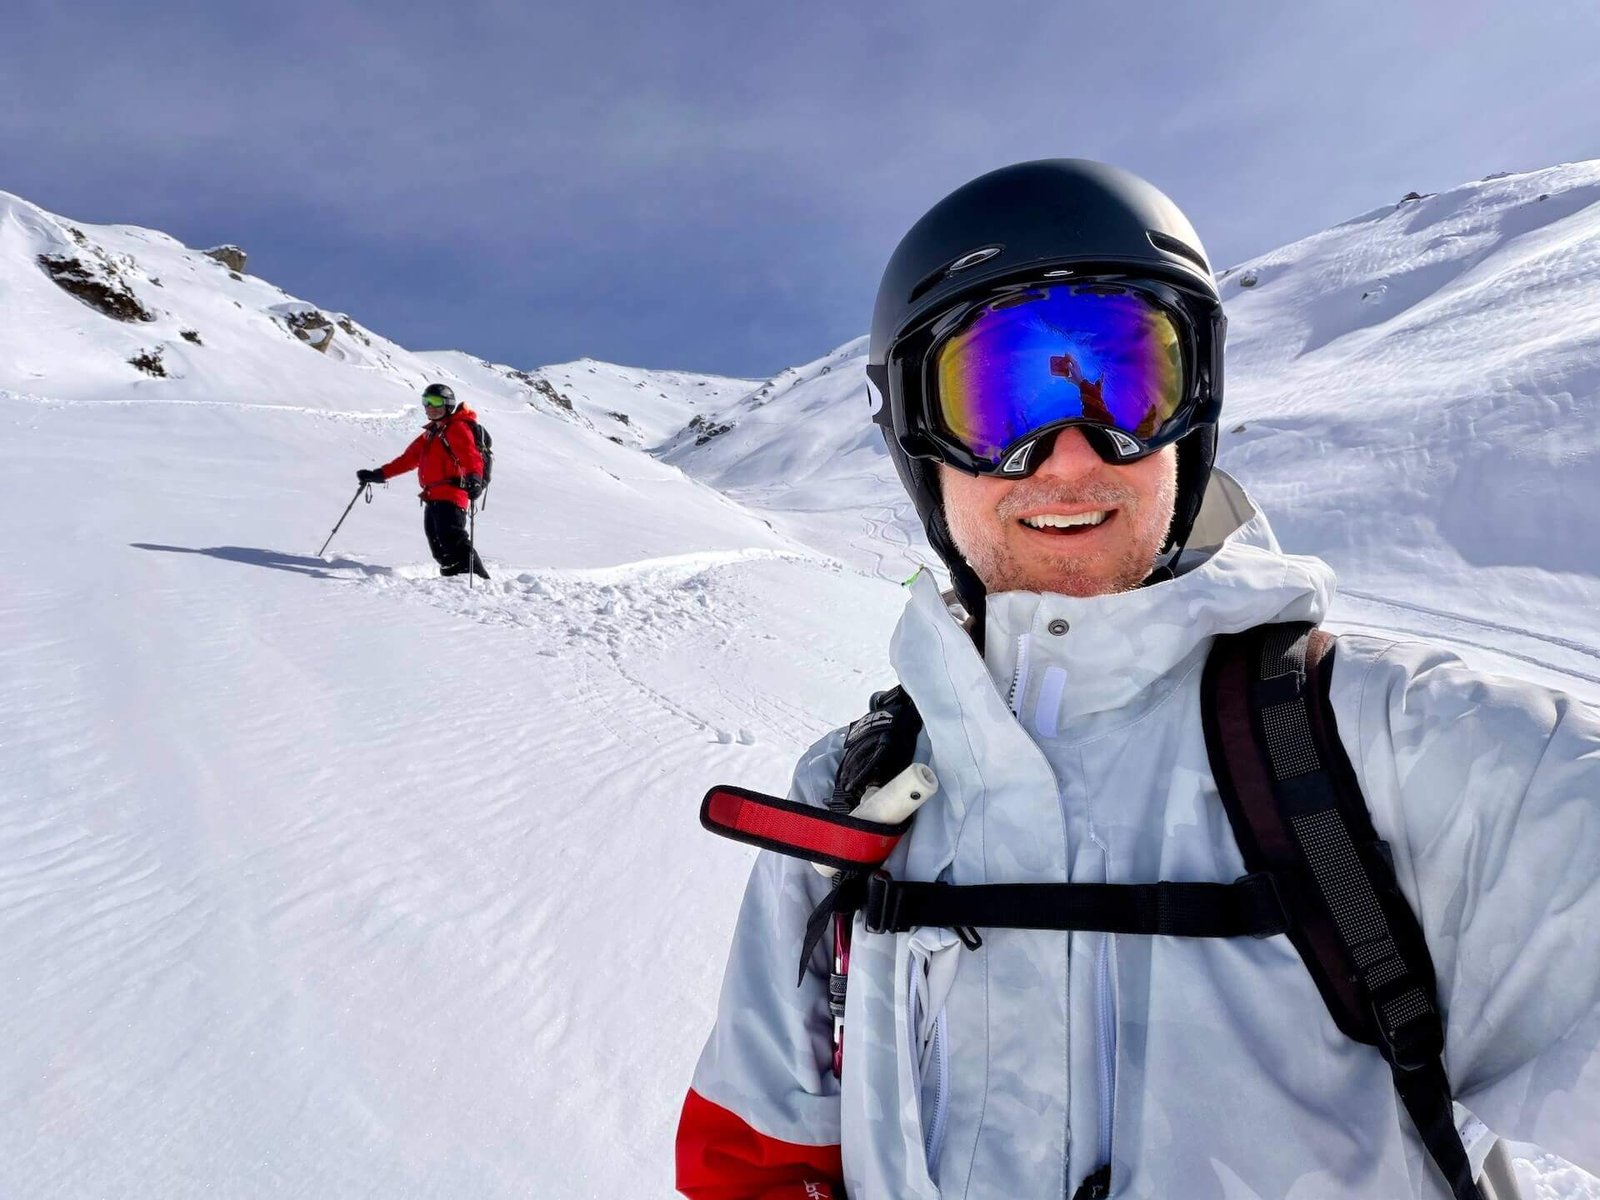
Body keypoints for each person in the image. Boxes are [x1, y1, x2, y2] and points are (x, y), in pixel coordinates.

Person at [676, 161, 1600, 1199]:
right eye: (997, 402)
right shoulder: (846, 795)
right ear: (917, 442)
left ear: (1193, 412)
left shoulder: (1394, 743)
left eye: (1123, 386)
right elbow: (750, 1159)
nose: (1070, 459)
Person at [358, 383, 489, 579]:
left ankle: (479, 581)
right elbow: (407, 460)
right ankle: (454, 582)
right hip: (432, 496)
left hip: (452, 494)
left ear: (448, 404)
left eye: (436, 401)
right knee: (438, 546)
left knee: (452, 538)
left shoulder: (457, 427)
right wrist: (379, 474)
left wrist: (475, 477)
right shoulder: (431, 434)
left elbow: (470, 456)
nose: (430, 406)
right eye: (426, 401)